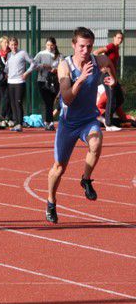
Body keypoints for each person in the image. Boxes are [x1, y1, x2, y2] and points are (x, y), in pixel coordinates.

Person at [46, 27, 116, 224]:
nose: (85, 51)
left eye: (89, 47)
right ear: (74, 45)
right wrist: (82, 78)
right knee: (59, 168)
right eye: (82, 47)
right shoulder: (65, 66)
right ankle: (51, 201)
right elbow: (67, 98)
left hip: (88, 120)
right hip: (68, 124)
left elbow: (109, 63)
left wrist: (113, 80)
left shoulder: (98, 60)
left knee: (96, 142)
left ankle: (86, 179)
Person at [94, 31, 125, 130]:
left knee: (120, 98)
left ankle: (106, 116)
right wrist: (101, 67)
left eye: (121, 38)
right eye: (118, 38)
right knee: (111, 97)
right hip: (106, 75)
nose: (120, 40)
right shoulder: (111, 46)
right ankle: (108, 123)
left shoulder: (116, 48)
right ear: (114, 38)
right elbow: (95, 53)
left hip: (113, 76)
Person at [5, 37, 35, 132]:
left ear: (17, 44)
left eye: (15, 44)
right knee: (12, 104)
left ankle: (20, 124)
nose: (13, 46)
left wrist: (26, 73)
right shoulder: (8, 55)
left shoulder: (23, 53)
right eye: (11, 45)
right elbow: (7, 67)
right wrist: (6, 72)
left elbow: (33, 63)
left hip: (20, 81)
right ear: (9, 45)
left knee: (18, 103)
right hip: (10, 82)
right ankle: (16, 122)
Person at [34, 37, 62, 131]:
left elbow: (63, 67)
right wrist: (43, 66)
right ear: (45, 45)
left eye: (51, 45)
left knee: (51, 102)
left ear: (54, 45)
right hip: (42, 81)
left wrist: (56, 69)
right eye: (48, 45)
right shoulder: (41, 54)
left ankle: (48, 122)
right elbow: (34, 65)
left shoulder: (59, 55)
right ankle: (49, 122)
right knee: (48, 102)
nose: (49, 47)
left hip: (54, 81)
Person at [0, 36, 11, 125]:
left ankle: (3, 116)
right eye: (5, 42)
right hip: (1, 79)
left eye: (7, 42)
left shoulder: (11, 53)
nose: (6, 44)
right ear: (1, 44)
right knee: (4, 97)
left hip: (11, 78)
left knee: (8, 97)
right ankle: (7, 118)